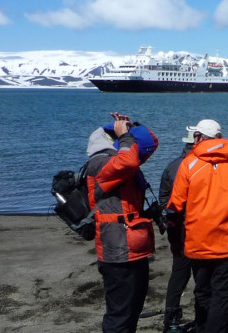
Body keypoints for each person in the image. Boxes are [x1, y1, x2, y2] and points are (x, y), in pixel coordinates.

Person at [166, 119, 228, 333]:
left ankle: (203, 327)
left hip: (198, 242)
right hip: (227, 242)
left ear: (198, 137)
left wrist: (176, 240)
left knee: (203, 290)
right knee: (222, 294)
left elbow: (174, 208)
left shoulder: (189, 164)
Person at [85, 113, 159, 333]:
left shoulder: (114, 162)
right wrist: (126, 135)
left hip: (128, 246)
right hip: (117, 250)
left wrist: (132, 126)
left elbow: (149, 144)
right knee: (120, 314)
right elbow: (128, 160)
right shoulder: (100, 163)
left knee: (131, 310)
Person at [159, 129, 196, 332]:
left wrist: (170, 218)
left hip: (176, 226)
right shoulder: (202, 166)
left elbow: (163, 199)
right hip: (196, 228)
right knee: (201, 274)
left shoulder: (172, 166)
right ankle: (203, 317)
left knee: (178, 274)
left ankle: (170, 320)